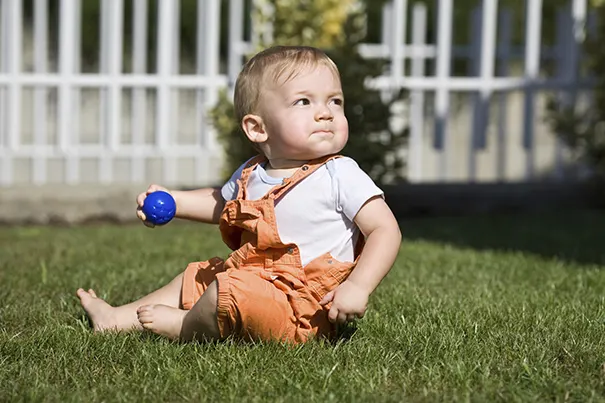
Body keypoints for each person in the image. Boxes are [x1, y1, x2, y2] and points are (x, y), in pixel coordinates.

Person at [76, 45, 402, 344]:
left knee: (225, 290)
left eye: (335, 101)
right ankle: (116, 319)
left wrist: (357, 287)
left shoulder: (340, 173)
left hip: (303, 309)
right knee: (199, 276)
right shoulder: (253, 172)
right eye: (305, 101)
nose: (326, 112)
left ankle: (186, 328)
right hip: (255, 282)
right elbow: (222, 204)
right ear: (258, 128)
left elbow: (384, 230)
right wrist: (175, 201)